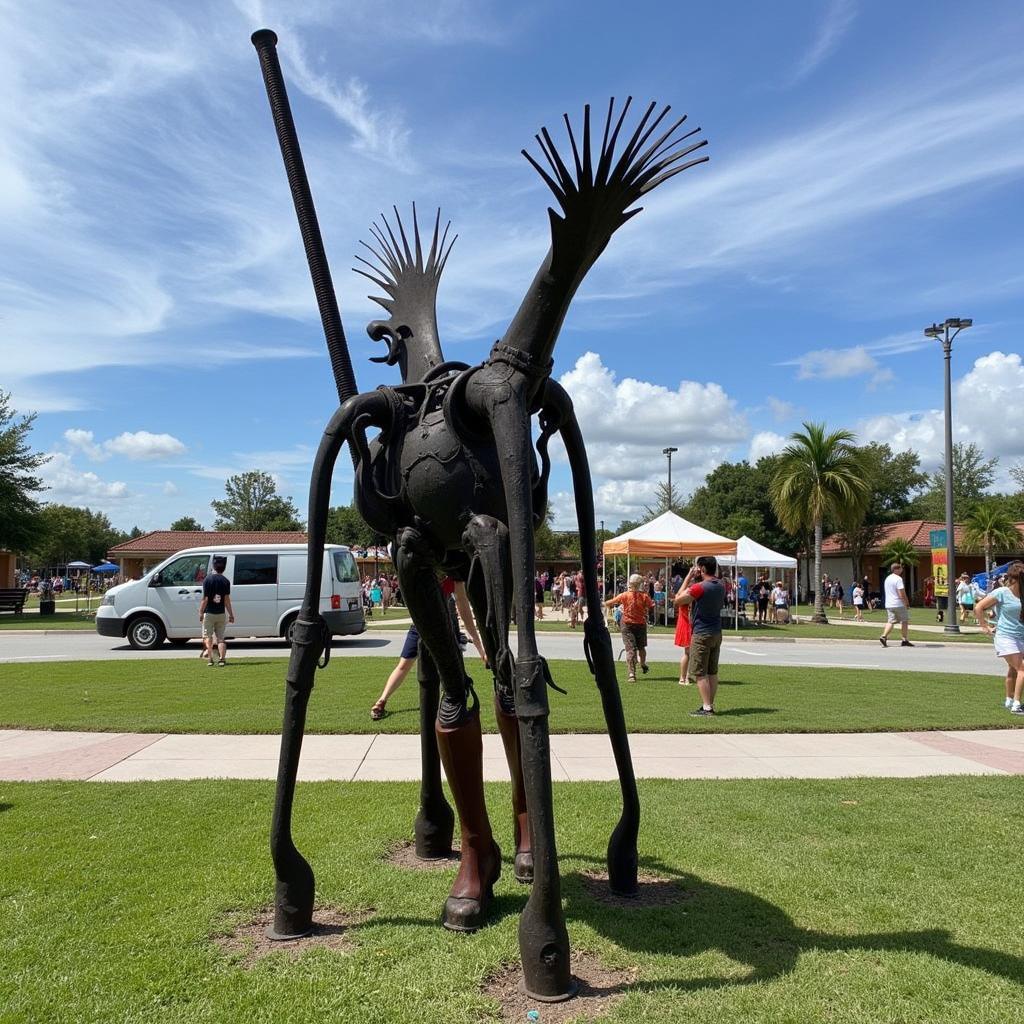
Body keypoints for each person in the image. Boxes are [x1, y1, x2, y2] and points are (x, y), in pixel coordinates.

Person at [370, 580, 485, 719]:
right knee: (403, 665)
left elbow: (462, 604)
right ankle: (382, 700)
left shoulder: (452, 572)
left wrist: (480, 647)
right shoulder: (418, 567)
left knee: (452, 670)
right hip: (420, 625)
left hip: (445, 626)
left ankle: (456, 705)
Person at [677, 555, 726, 716]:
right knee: (712, 671)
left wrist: (689, 577)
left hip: (701, 633)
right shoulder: (721, 584)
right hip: (716, 632)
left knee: (699, 672)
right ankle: (710, 704)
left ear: (702, 569)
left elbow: (678, 600)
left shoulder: (699, 587)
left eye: (698, 567)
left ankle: (707, 707)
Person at [974, 561, 1024, 714]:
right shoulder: (1002, 592)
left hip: (1021, 636)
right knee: (1022, 668)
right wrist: (984, 626)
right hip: (1005, 637)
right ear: (1015, 578)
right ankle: (1016, 704)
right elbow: (979, 607)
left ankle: (1009, 700)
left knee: (1014, 669)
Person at [603, 573, 655, 682]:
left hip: (627, 624)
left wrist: (604, 603)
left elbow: (611, 602)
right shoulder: (644, 596)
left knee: (630, 649)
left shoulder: (624, 595)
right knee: (641, 647)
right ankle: (643, 663)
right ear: (640, 584)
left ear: (630, 584)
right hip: (640, 624)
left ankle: (632, 673)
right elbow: (651, 606)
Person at [199, 555, 234, 666]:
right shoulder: (226, 581)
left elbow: (205, 599)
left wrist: (200, 612)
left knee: (208, 637)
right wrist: (231, 614)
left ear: (213, 566)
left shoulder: (207, 580)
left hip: (209, 613)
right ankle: (222, 659)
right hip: (221, 613)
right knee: (220, 638)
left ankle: (210, 659)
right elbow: (226, 600)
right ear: (223, 567)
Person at [879, 562, 912, 648]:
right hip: (898, 604)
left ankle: (884, 636)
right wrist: (906, 603)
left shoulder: (887, 579)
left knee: (891, 621)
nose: (902, 570)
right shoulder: (898, 579)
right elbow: (901, 593)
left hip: (889, 604)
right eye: (900, 568)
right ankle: (904, 639)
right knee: (904, 621)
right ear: (896, 569)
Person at [673, 563, 696, 684]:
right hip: (689, 624)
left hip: (686, 623)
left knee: (690, 653)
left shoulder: (686, 593)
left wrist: (688, 576)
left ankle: (686, 676)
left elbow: (678, 594)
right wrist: (689, 577)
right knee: (688, 653)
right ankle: (684, 677)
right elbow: (678, 595)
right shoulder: (691, 593)